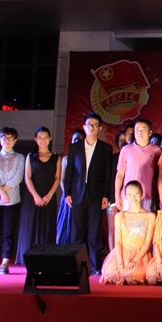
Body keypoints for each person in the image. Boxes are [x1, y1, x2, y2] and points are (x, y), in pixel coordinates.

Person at [64, 113, 114, 275]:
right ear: (84, 127)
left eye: (95, 125)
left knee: (94, 232)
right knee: (76, 231)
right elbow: (70, 172)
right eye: (88, 124)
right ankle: (75, 265)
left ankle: (95, 266)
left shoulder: (105, 149)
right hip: (77, 194)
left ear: (99, 128)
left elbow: (108, 175)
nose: (91, 127)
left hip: (96, 195)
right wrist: (67, 193)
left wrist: (106, 195)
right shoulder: (74, 148)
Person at [16, 127, 61, 265]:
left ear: (50, 139)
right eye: (40, 137)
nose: (43, 140)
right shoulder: (30, 156)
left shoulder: (56, 157)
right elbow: (28, 178)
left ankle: (45, 257)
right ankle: (28, 257)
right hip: (32, 196)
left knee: (47, 226)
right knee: (30, 225)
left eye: (45, 137)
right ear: (35, 139)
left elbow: (57, 178)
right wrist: (35, 196)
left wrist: (49, 195)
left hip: (49, 196)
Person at [0, 127, 25, 275]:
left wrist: (3, 192)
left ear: (15, 140)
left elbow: (17, 178)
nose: (7, 141)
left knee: (8, 232)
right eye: (4, 138)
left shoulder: (20, 157)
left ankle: (5, 263)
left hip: (12, 200)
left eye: (10, 138)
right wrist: (1, 193)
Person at [100, 181, 155, 285]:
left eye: (136, 193)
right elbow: (118, 241)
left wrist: (134, 261)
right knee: (112, 276)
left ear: (141, 193)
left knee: (133, 278)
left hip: (140, 255)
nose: (133, 197)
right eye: (130, 194)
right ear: (125, 195)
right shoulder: (120, 216)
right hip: (122, 253)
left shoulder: (150, 216)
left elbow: (148, 243)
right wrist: (120, 262)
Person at [116, 119, 161, 212]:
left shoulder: (157, 150)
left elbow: (159, 176)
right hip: (128, 196)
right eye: (137, 130)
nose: (140, 132)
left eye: (143, 129)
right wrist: (117, 195)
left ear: (150, 132)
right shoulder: (126, 149)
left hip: (148, 196)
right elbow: (120, 174)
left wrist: (158, 198)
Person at [56, 129, 85, 245]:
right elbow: (62, 179)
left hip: (80, 194)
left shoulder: (85, 158)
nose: (77, 141)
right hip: (68, 196)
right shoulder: (65, 159)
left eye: (80, 139)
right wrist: (67, 193)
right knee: (65, 222)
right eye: (75, 139)